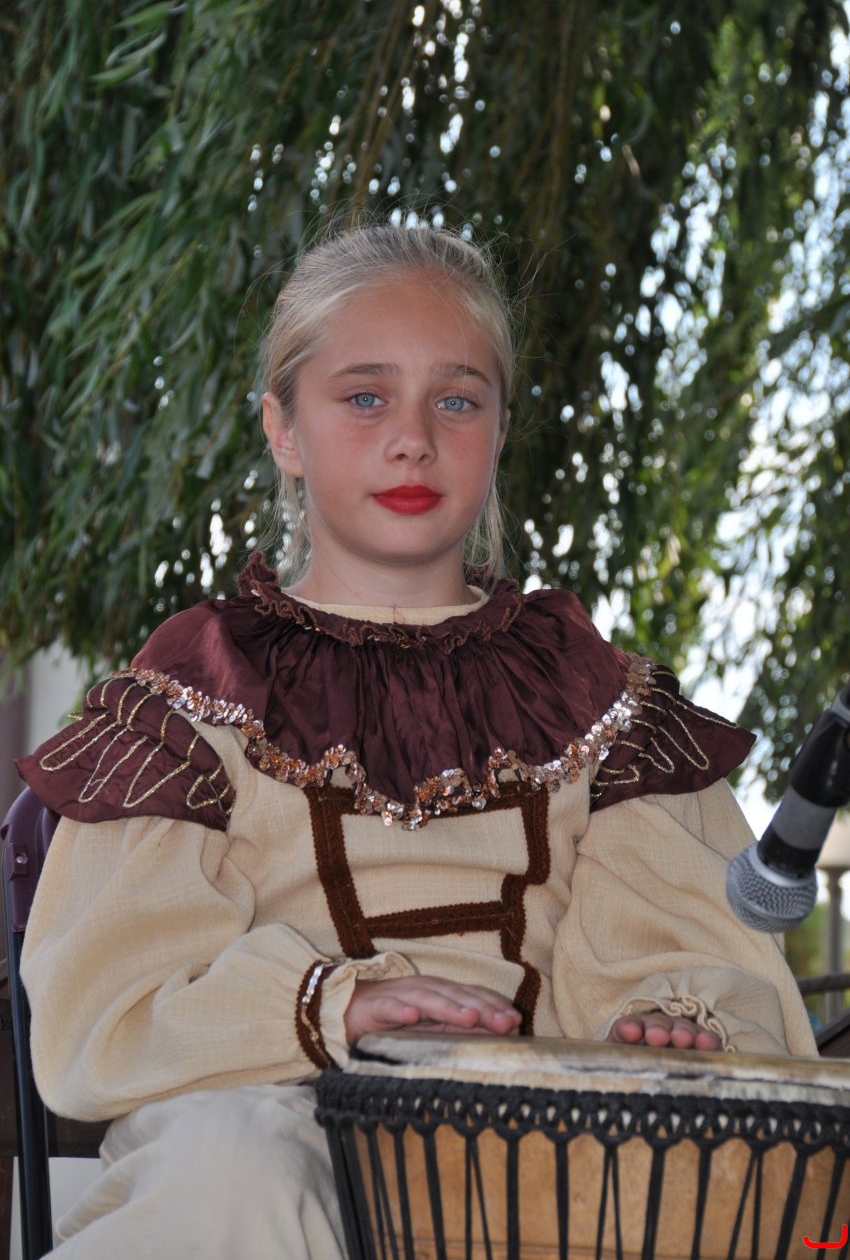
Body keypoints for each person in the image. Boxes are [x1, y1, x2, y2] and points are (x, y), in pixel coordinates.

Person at [17, 222, 816, 1258]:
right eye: (364, 397)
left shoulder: (603, 701)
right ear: (283, 428)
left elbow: (686, 957)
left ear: (500, 427)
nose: (413, 439)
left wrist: (665, 1025)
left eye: (457, 400)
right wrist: (338, 1006)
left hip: (533, 1154)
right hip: (271, 1123)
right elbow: (109, 1014)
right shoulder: (194, 688)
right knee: (231, 1166)